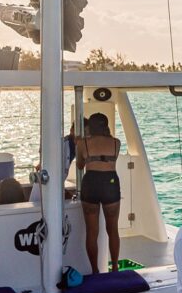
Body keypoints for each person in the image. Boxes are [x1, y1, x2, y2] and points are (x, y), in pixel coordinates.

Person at [76, 113, 121, 274]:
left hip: (91, 183)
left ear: (90, 127)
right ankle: (114, 267)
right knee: (113, 229)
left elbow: (80, 166)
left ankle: (95, 270)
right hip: (110, 183)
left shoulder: (83, 144)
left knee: (92, 232)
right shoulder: (116, 143)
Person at [29, 120, 81, 203]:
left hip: (53, 192)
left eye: (86, 133)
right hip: (43, 195)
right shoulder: (61, 144)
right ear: (71, 130)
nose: (81, 135)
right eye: (80, 131)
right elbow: (44, 150)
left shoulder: (75, 148)